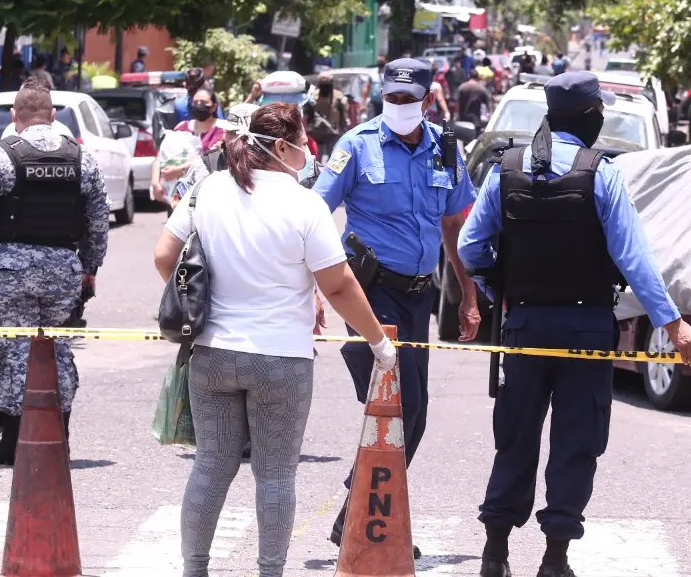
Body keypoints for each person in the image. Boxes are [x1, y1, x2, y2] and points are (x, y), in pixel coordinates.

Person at [458, 72, 691, 577]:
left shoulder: (506, 167)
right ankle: (554, 560)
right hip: (586, 331)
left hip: (524, 327)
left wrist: (502, 295)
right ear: (592, 115)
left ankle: (495, 554)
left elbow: (470, 248)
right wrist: (674, 324)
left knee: (515, 438)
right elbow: (634, 259)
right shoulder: (603, 173)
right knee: (576, 443)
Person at [152, 102, 395, 577]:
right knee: (276, 474)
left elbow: (166, 256)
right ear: (281, 146)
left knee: (211, 467)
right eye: (303, 143)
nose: (307, 152)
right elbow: (339, 284)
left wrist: (199, 299)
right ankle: (269, 572)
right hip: (281, 358)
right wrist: (378, 344)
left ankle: (194, 570)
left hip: (213, 353)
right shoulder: (305, 203)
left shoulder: (209, 188)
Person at [313, 57, 480, 556]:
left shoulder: (446, 149)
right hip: (371, 292)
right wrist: (313, 291)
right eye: (394, 99)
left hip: (419, 296)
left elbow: (454, 227)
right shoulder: (357, 145)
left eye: (410, 99)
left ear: (428, 98)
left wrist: (467, 295)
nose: (401, 107)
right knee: (400, 408)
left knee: (415, 412)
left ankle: (357, 513)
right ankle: (359, 516)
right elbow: (315, 213)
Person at [0, 77, 110, 466]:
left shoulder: (2, 155)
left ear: (14, 116)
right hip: (62, 270)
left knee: (12, 350)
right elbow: (97, 223)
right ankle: (61, 438)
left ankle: (11, 441)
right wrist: (89, 269)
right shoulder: (80, 158)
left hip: (12, 273)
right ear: (53, 115)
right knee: (57, 348)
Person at [151, 89, 223, 206]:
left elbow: (209, 157)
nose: (199, 105)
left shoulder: (221, 129)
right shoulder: (181, 127)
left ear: (214, 107)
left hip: (207, 196)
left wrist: (179, 170)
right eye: (196, 102)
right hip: (177, 196)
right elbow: (161, 155)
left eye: (204, 103)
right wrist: (155, 183)